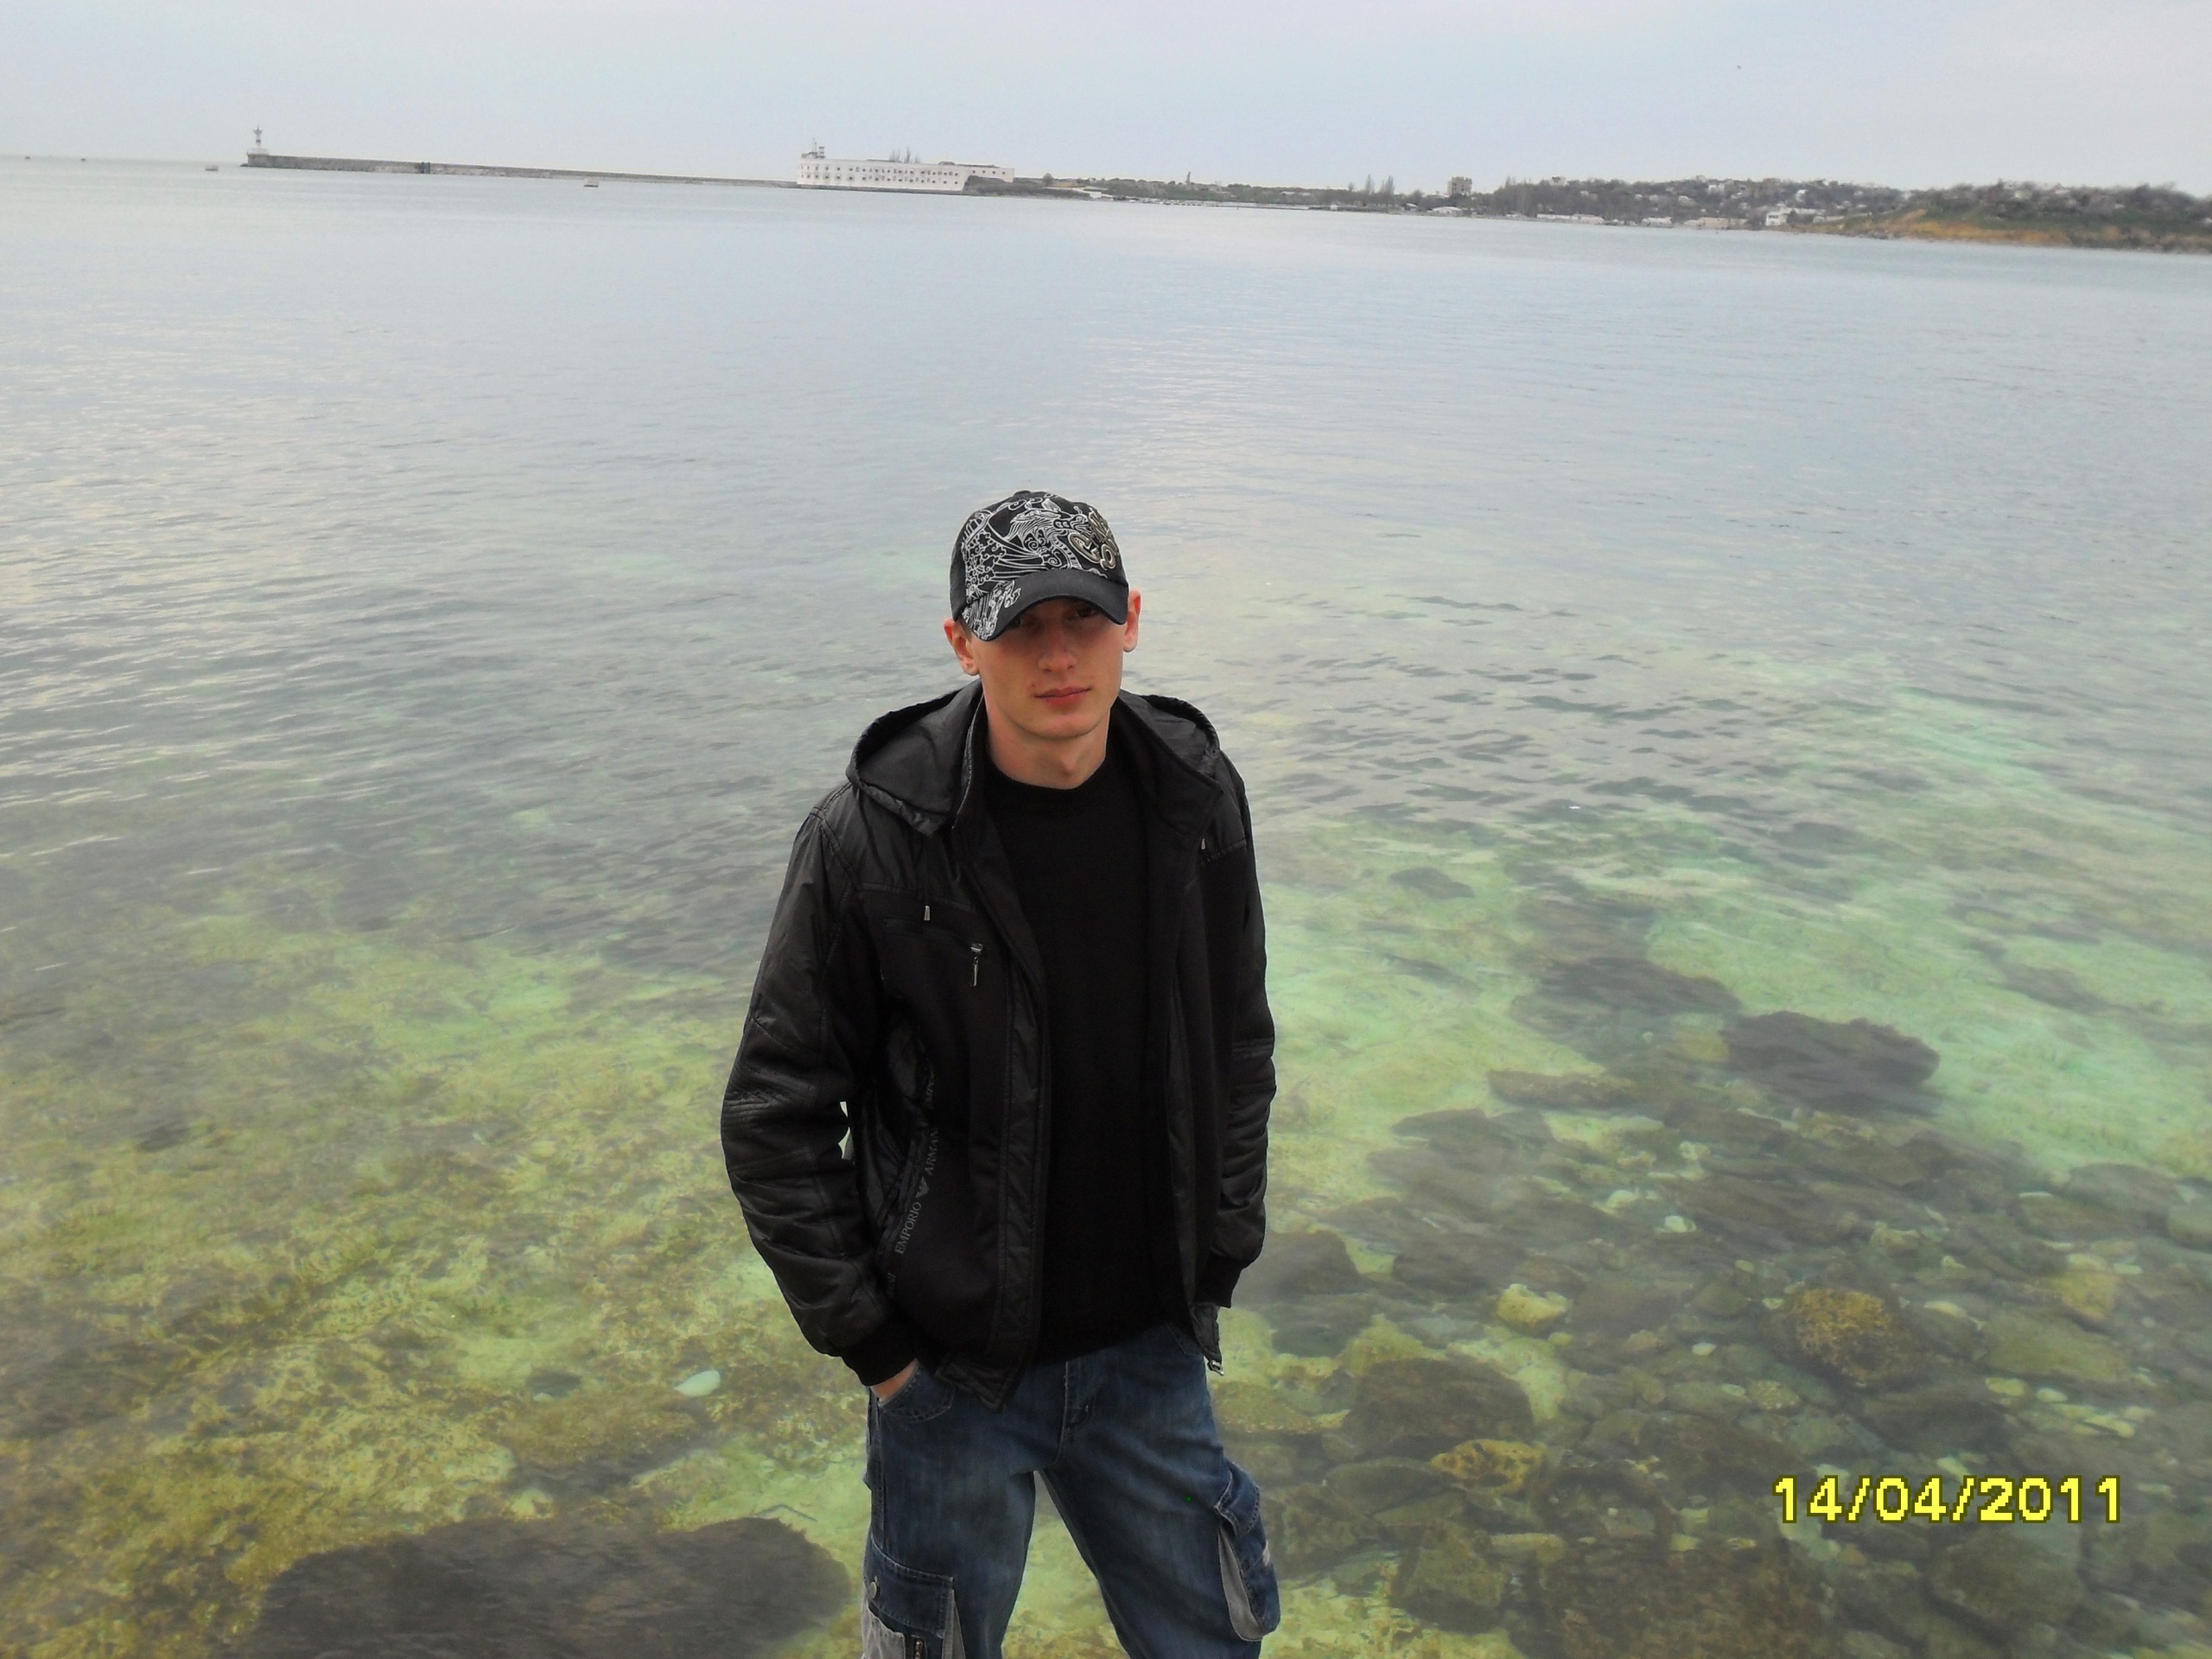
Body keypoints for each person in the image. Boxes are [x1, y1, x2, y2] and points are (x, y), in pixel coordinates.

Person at [721, 491, 1280, 1657]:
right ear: (961, 643)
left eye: (1083, 618)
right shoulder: (870, 840)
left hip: (1150, 1355)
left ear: (1133, 620)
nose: (1058, 655)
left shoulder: (1195, 799)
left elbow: (1238, 1042)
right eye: (1021, 626)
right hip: (950, 1380)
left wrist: (1222, 1245)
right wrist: (880, 1354)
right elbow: (776, 1117)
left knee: (1213, 1640)